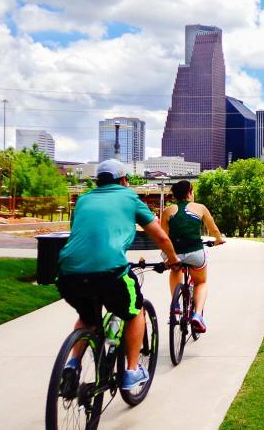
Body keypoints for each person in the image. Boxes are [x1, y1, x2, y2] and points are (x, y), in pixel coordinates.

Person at [56, 159, 180, 390]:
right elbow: (161, 237)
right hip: (109, 272)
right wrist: (173, 260)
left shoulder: (83, 199)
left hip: (68, 273)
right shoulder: (130, 197)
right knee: (135, 311)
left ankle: (72, 365)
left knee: (87, 317)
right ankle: (131, 371)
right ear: (124, 181)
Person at [160, 180, 223, 333]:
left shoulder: (168, 211)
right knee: (201, 282)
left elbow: (163, 235)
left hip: (175, 253)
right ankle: (197, 315)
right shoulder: (200, 208)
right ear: (189, 192)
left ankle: (175, 304)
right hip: (195, 252)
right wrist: (218, 240)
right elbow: (213, 229)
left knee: (175, 269)